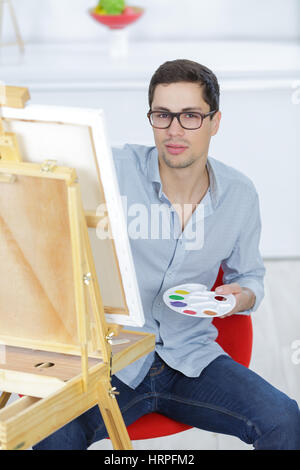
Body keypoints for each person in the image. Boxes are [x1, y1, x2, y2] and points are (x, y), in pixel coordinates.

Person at [33, 59, 300, 450]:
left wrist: (236, 297)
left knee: (284, 420)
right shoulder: (112, 170)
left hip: (191, 360)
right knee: (50, 436)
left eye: (190, 115)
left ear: (215, 121)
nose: (174, 130)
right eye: (163, 115)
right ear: (152, 118)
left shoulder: (240, 195)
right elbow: (50, 163)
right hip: (112, 362)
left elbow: (251, 278)